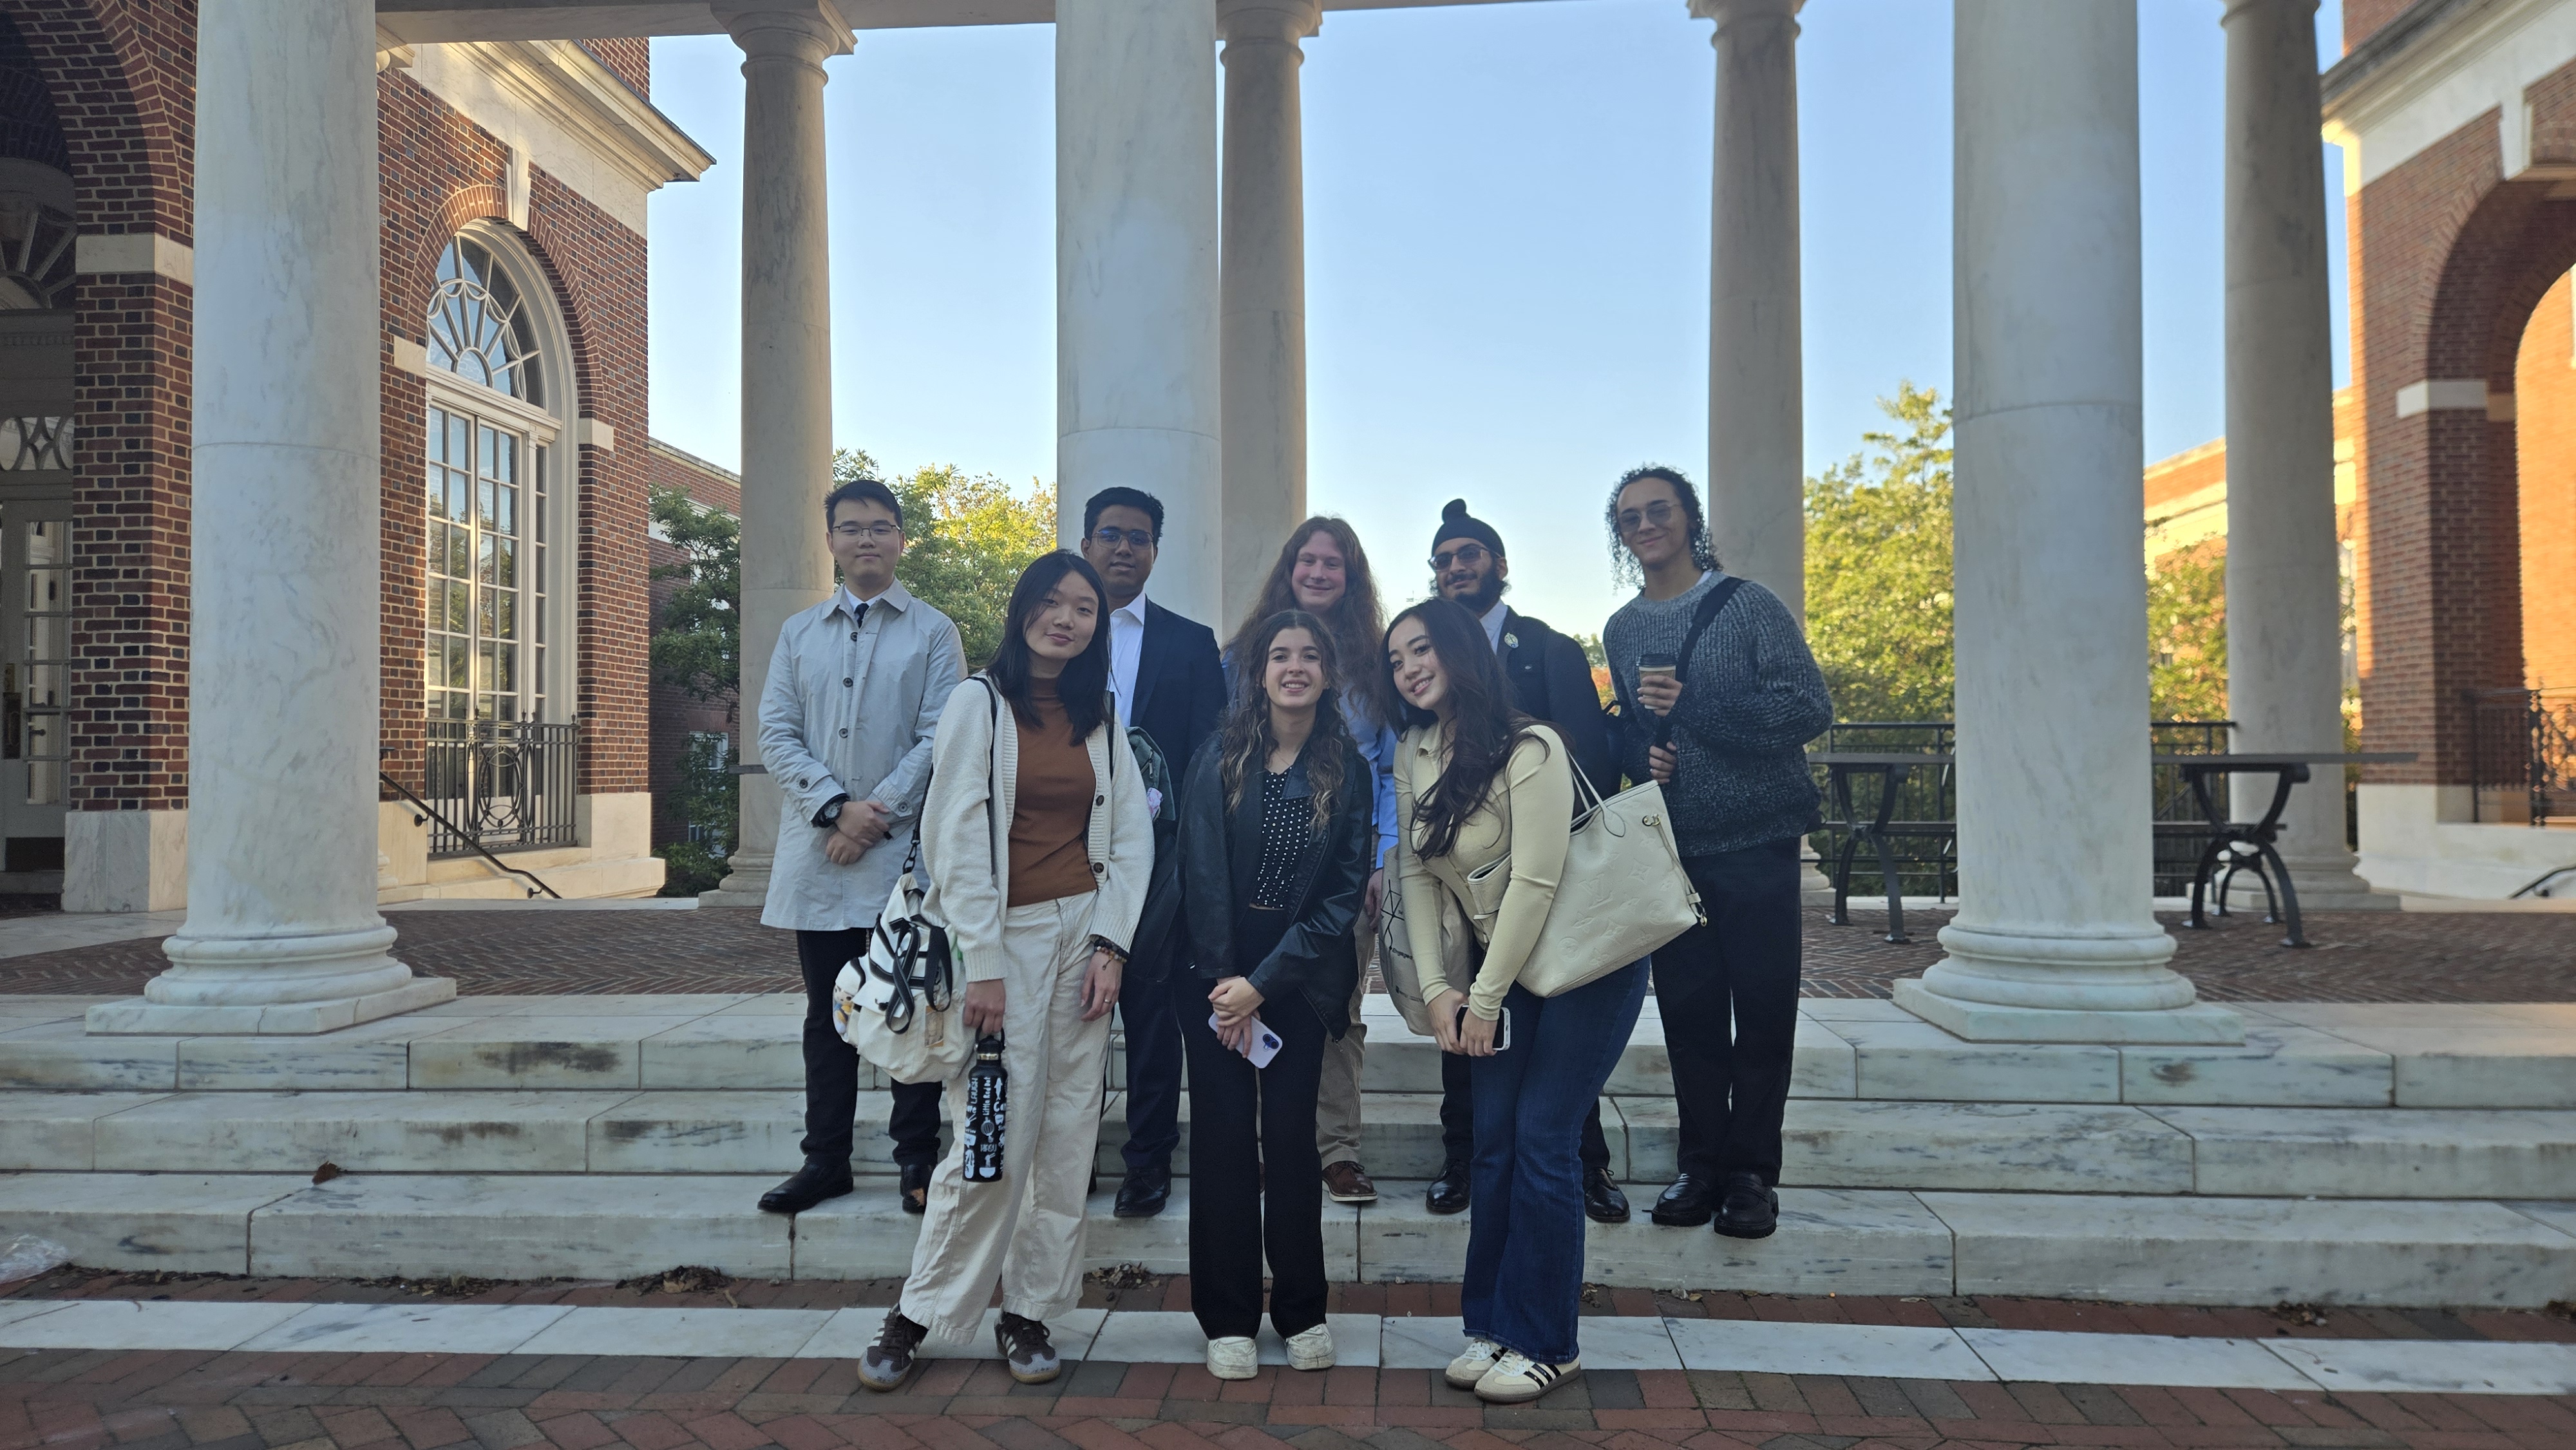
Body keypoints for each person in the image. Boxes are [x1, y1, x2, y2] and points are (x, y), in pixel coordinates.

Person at [858, 552, 1154, 1392]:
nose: (1067, 618)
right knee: (991, 1136)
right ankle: (917, 1311)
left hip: (1083, 940)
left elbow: (1132, 837)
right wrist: (983, 963)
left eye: (1084, 608)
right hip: (1002, 943)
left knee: (1066, 1137)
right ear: (1024, 609)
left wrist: (1112, 945)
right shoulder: (979, 702)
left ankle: (1030, 1311)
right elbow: (953, 836)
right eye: (1052, 602)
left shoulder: (1100, 714)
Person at [1386, 597, 1648, 1405]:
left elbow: (1534, 881)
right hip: (1500, 972)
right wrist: (1436, 987)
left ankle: (1546, 1341)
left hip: (1585, 962)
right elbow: (1416, 872)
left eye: (1421, 649)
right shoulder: (1414, 749)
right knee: (1492, 1141)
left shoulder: (1531, 745)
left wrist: (1483, 999)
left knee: (1542, 1136)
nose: (1408, 668)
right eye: (1395, 659)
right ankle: (1492, 1325)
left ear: (1461, 649)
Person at [1602, 465, 1831, 1240]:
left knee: (1762, 1012)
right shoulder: (1622, 628)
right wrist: (1642, 753)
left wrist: (1695, 706)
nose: (1645, 525)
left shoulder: (1748, 604)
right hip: (1674, 848)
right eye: (1629, 517)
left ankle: (1750, 1174)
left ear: (1689, 517)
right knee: (1690, 1015)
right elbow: (1633, 729)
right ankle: (1699, 1164)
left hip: (1757, 840)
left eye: (1658, 510)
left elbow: (1807, 707)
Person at [755, 476, 965, 1219]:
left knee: (911, 1000)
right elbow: (775, 731)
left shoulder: (933, 631)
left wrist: (873, 816)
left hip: (899, 857)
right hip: (820, 854)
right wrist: (835, 810)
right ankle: (826, 1158)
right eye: (851, 526)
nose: (865, 538)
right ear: (831, 540)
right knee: (828, 1013)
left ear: (901, 539)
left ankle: (917, 1157)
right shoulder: (799, 633)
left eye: (880, 526)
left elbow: (942, 733)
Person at [1175, 609, 1374, 1379]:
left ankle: (1301, 1308)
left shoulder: (1347, 769)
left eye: (1310, 656)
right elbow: (1199, 870)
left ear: (1328, 673)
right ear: (1258, 673)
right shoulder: (1219, 755)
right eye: (1281, 655)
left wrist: (1262, 984)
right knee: (1223, 1141)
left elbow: (1341, 896)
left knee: (1292, 1144)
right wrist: (1227, 982)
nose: (1295, 667)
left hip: (1297, 978)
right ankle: (1227, 1315)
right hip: (1213, 971)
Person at [1423, 498, 1626, 1223]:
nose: (1455, 568)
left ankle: (1586, 1162)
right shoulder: (1428, 658)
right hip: (1463, 881)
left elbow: (1589, 757)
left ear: (1499, 564)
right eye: (1443, 560)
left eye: (1468, 554)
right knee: (1464, 1020)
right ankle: (1461, 1157)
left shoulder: (1548, 647)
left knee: (1560, 1027)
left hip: (1550, 880)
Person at [1226, 517, 1402, 1208]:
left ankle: (1337, 1151)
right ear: (1289, 568)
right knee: (1254, 997)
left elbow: (1388, 771)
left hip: (1342, 871)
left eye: (1335, 563)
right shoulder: (1244, 654)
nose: (1320, 572)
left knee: (1337, 1011)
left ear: (1351, 577)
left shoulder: (1375, 666)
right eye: (1308, 560)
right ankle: (1264, 1145)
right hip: (1257, 871)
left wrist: (1381, 860)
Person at [1079, 486, 1226, 1221]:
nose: (1124, 548)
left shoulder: (1191, 642)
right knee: (1069, 1017)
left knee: (1151, 1015)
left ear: (1155, 552)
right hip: (1064, 855)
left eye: (1139, 538)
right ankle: (1068, 1156)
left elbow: (1210, 752)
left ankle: (1148, 1162)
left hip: (1159, 864)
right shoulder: (1058, 630)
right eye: (1110, 534)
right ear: (1086, 545)